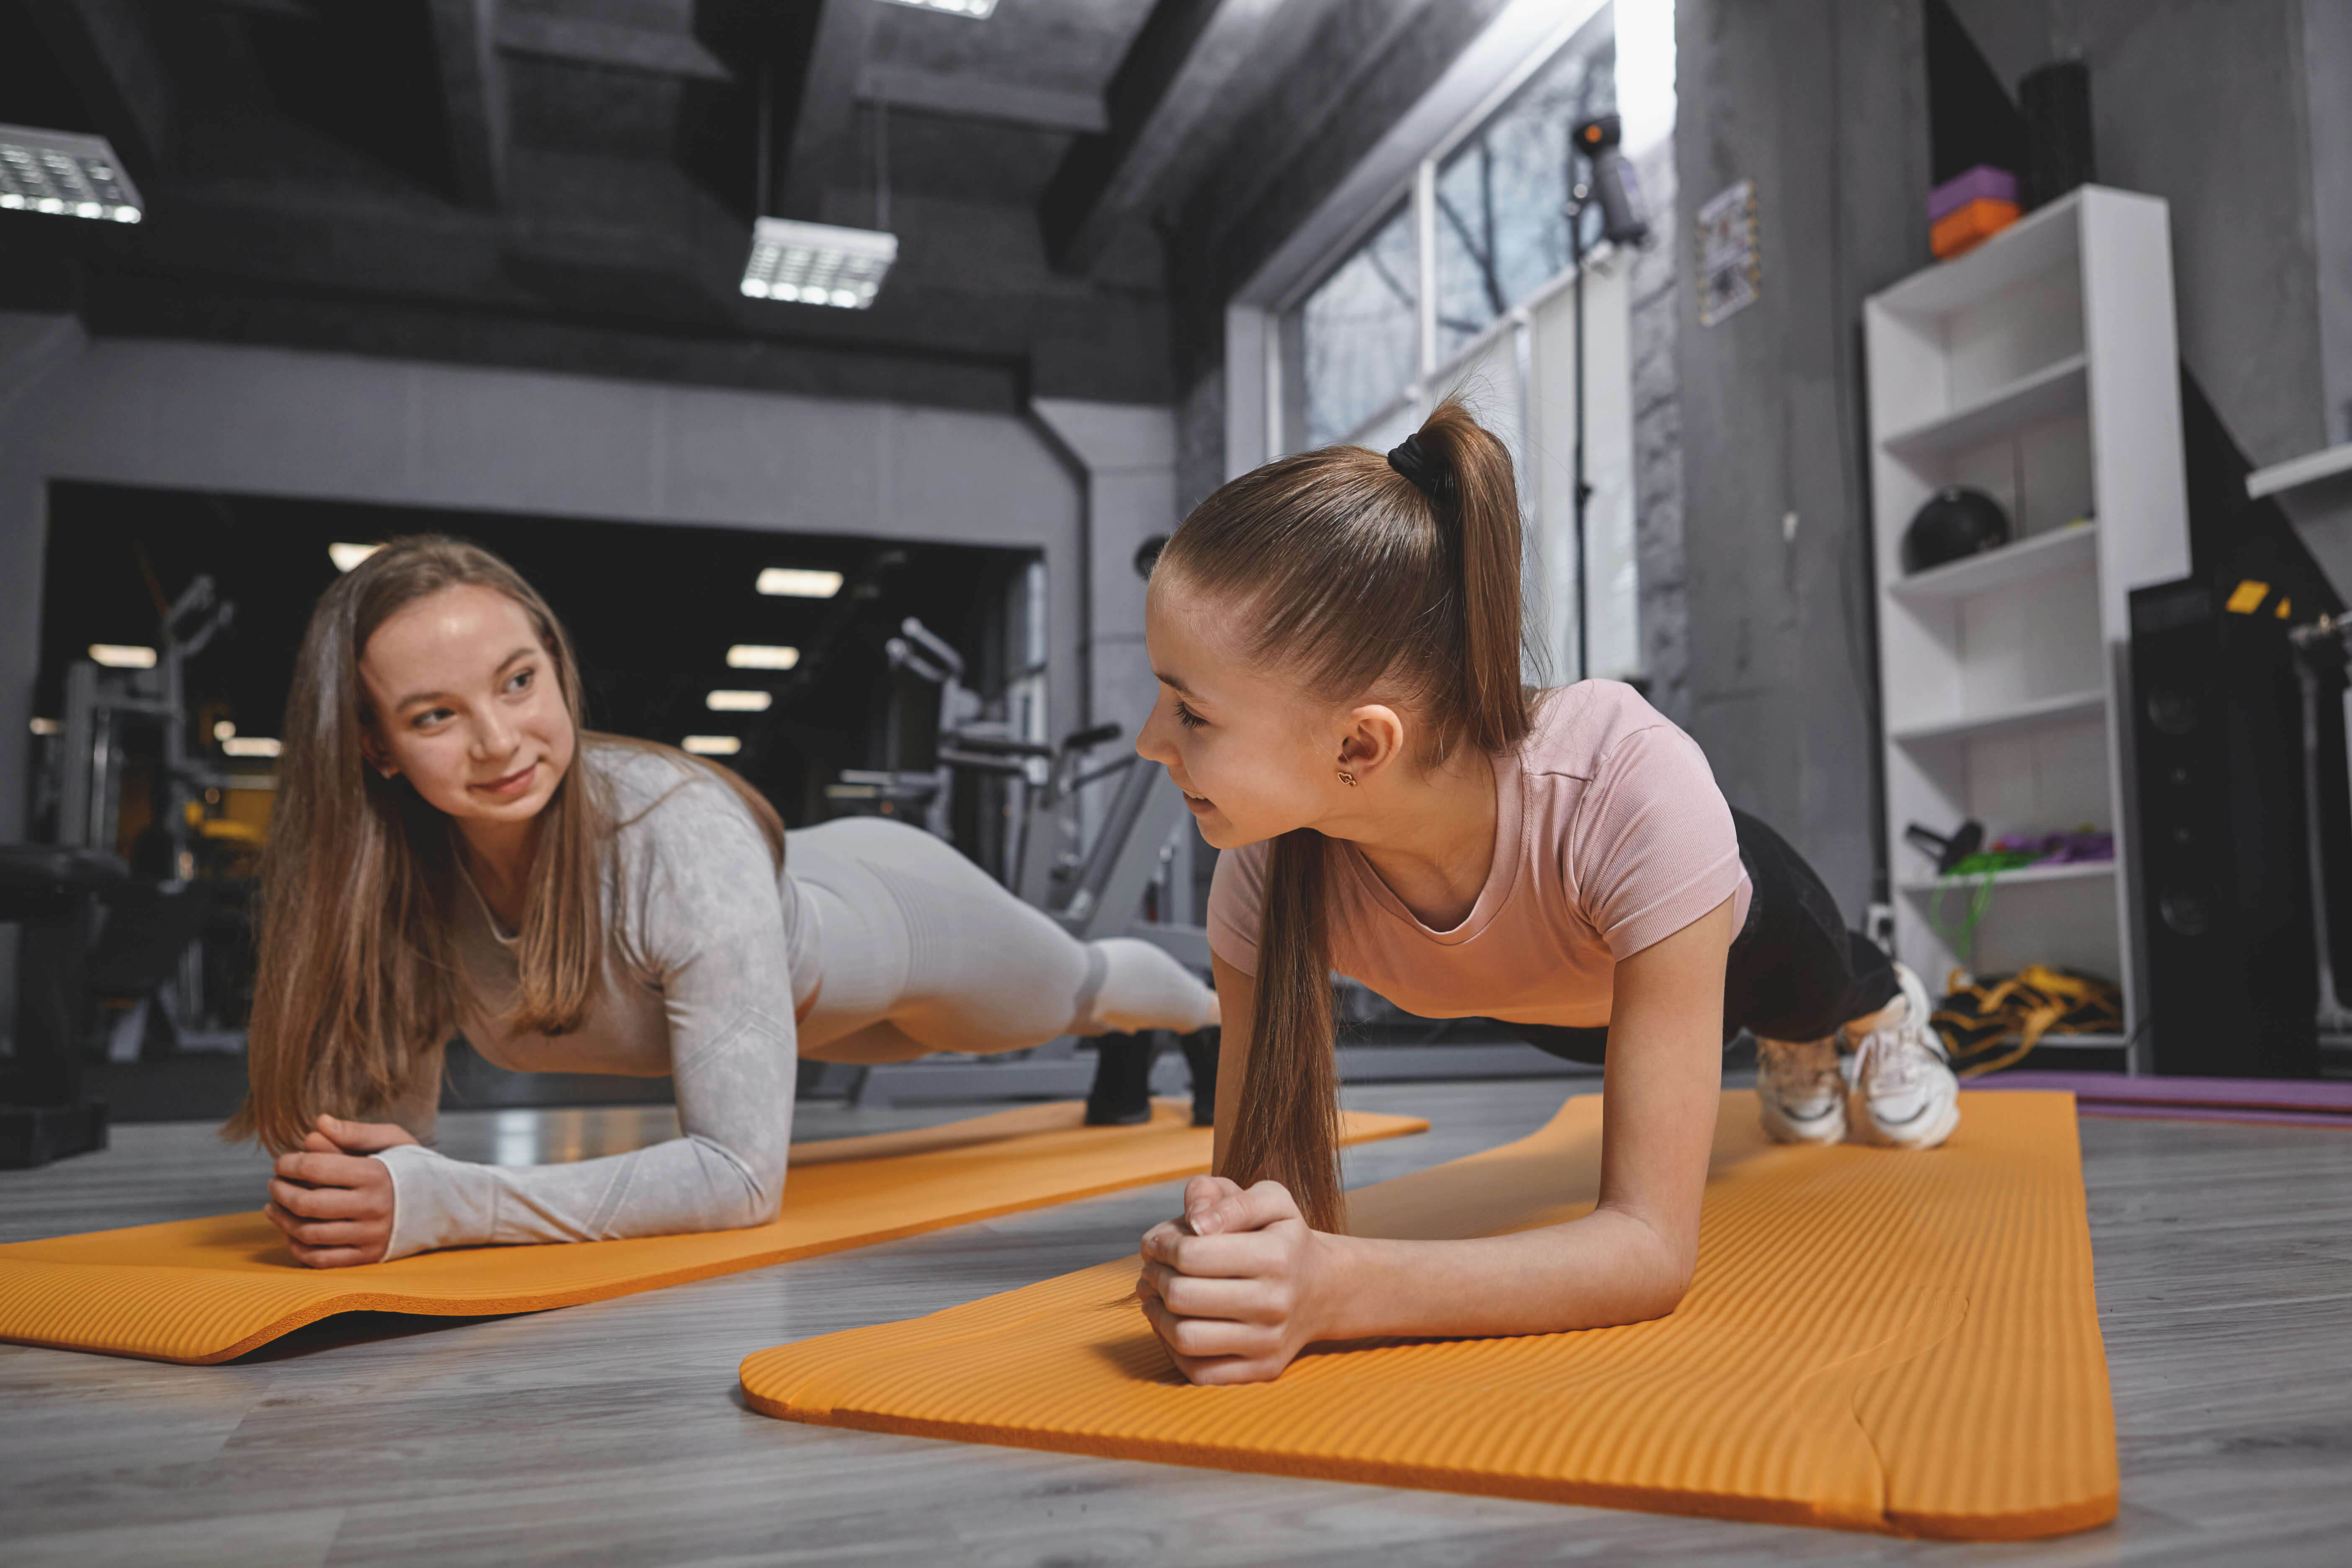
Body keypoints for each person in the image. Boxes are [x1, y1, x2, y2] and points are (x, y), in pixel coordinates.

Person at [1130, 401, 1958, 1385]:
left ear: (1360, 745)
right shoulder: (1267, 876)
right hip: (1567, 1001)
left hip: (1744, 941)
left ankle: (1875, 1015)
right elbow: (1257, 1194)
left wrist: (1337, 1292)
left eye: (1190, 711)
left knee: (1822, 997)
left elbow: (1650, 1252)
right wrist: (1223, 1264)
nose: (1150, 741)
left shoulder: (1626, 783)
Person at [230, 537, 1218, 1268]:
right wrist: (359, 1191)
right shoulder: (393, 892)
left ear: (558, 671)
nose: (498, 742)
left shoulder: (678, 833)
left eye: (518, 682)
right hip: (793, 1004)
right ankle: (1134, 1041)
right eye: (436, 716)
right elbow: (397, 1156)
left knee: (1075, 990)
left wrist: (456, 1208)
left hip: (896, 918)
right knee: (1066, 999)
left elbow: (740, 1182)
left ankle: (1201, 1021)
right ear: (374, 746)